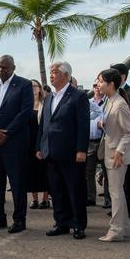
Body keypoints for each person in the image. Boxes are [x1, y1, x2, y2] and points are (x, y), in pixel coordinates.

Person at [36, 61, 90, 240]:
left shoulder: (77, 96)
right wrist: (39, 146)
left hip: (71, 153)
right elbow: (44, 124)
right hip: (50, 152)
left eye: (55, 72)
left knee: (75, 190)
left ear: (65, 75)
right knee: (56, 191)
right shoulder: (49, 97)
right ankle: (61, 223)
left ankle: (78, 224)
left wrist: (81, 149)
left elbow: (83, 125)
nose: (51, 75)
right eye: (50, 73)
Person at [0, 55, 34, 233]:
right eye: (0, 67)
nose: (2, 70)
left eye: (5, 67)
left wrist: (7, 133)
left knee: (17, 184)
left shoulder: (24, 85)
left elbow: (25, 112)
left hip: (14, 144)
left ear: (13, 67)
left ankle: (19, 220)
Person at [96, 68, 130, 242]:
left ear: (111, 84)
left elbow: (129, 132)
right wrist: (102, 124)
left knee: (116, 193)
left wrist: (120, 151)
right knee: (117, 192)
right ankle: (124, 227)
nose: (97, 85)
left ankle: (116, 230)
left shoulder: (119, 104)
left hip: (117, 155)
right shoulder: (109, 100)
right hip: (110, 151)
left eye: (100, 81)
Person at [110, 63, 130, 218]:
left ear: (122, 77)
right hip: (114, 143)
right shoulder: (112, 95)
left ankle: (128, 207)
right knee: (117, 182)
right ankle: (119, 208)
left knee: (128, 178)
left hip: (127, 142)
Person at [28, 79, 50, 210]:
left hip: (42, 140)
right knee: (31, 171)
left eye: (35, 86)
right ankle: (34, 199)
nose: (33, 88)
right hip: (29, 141)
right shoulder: (26, 104)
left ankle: (45, 199)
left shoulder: (45, 103)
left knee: (44, 171)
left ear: (40, 88)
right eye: (30, 86)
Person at [87, 80, 106, 207]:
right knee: (89, 172)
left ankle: (108, 199)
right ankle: (90, 198)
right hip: (89, 141)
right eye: (95, 85)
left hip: (103, 141)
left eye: (99, 85)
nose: (97, 87)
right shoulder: (87, 103)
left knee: (107, 172)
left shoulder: (108, 102)